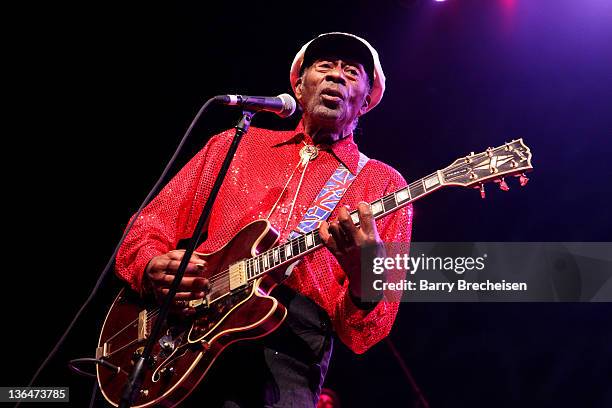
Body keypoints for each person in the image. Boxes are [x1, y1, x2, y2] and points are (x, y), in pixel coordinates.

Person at [116, 32, 413, 407]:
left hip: (289, 353)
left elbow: (366, 331)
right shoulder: (235, 144)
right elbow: (149, 224)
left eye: (352, 72)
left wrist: (363, 271)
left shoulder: (384, 184)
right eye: (324, 67)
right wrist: (149, 265)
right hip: (183, 332)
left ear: (366, 101)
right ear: (299, 88)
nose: (337, 76)